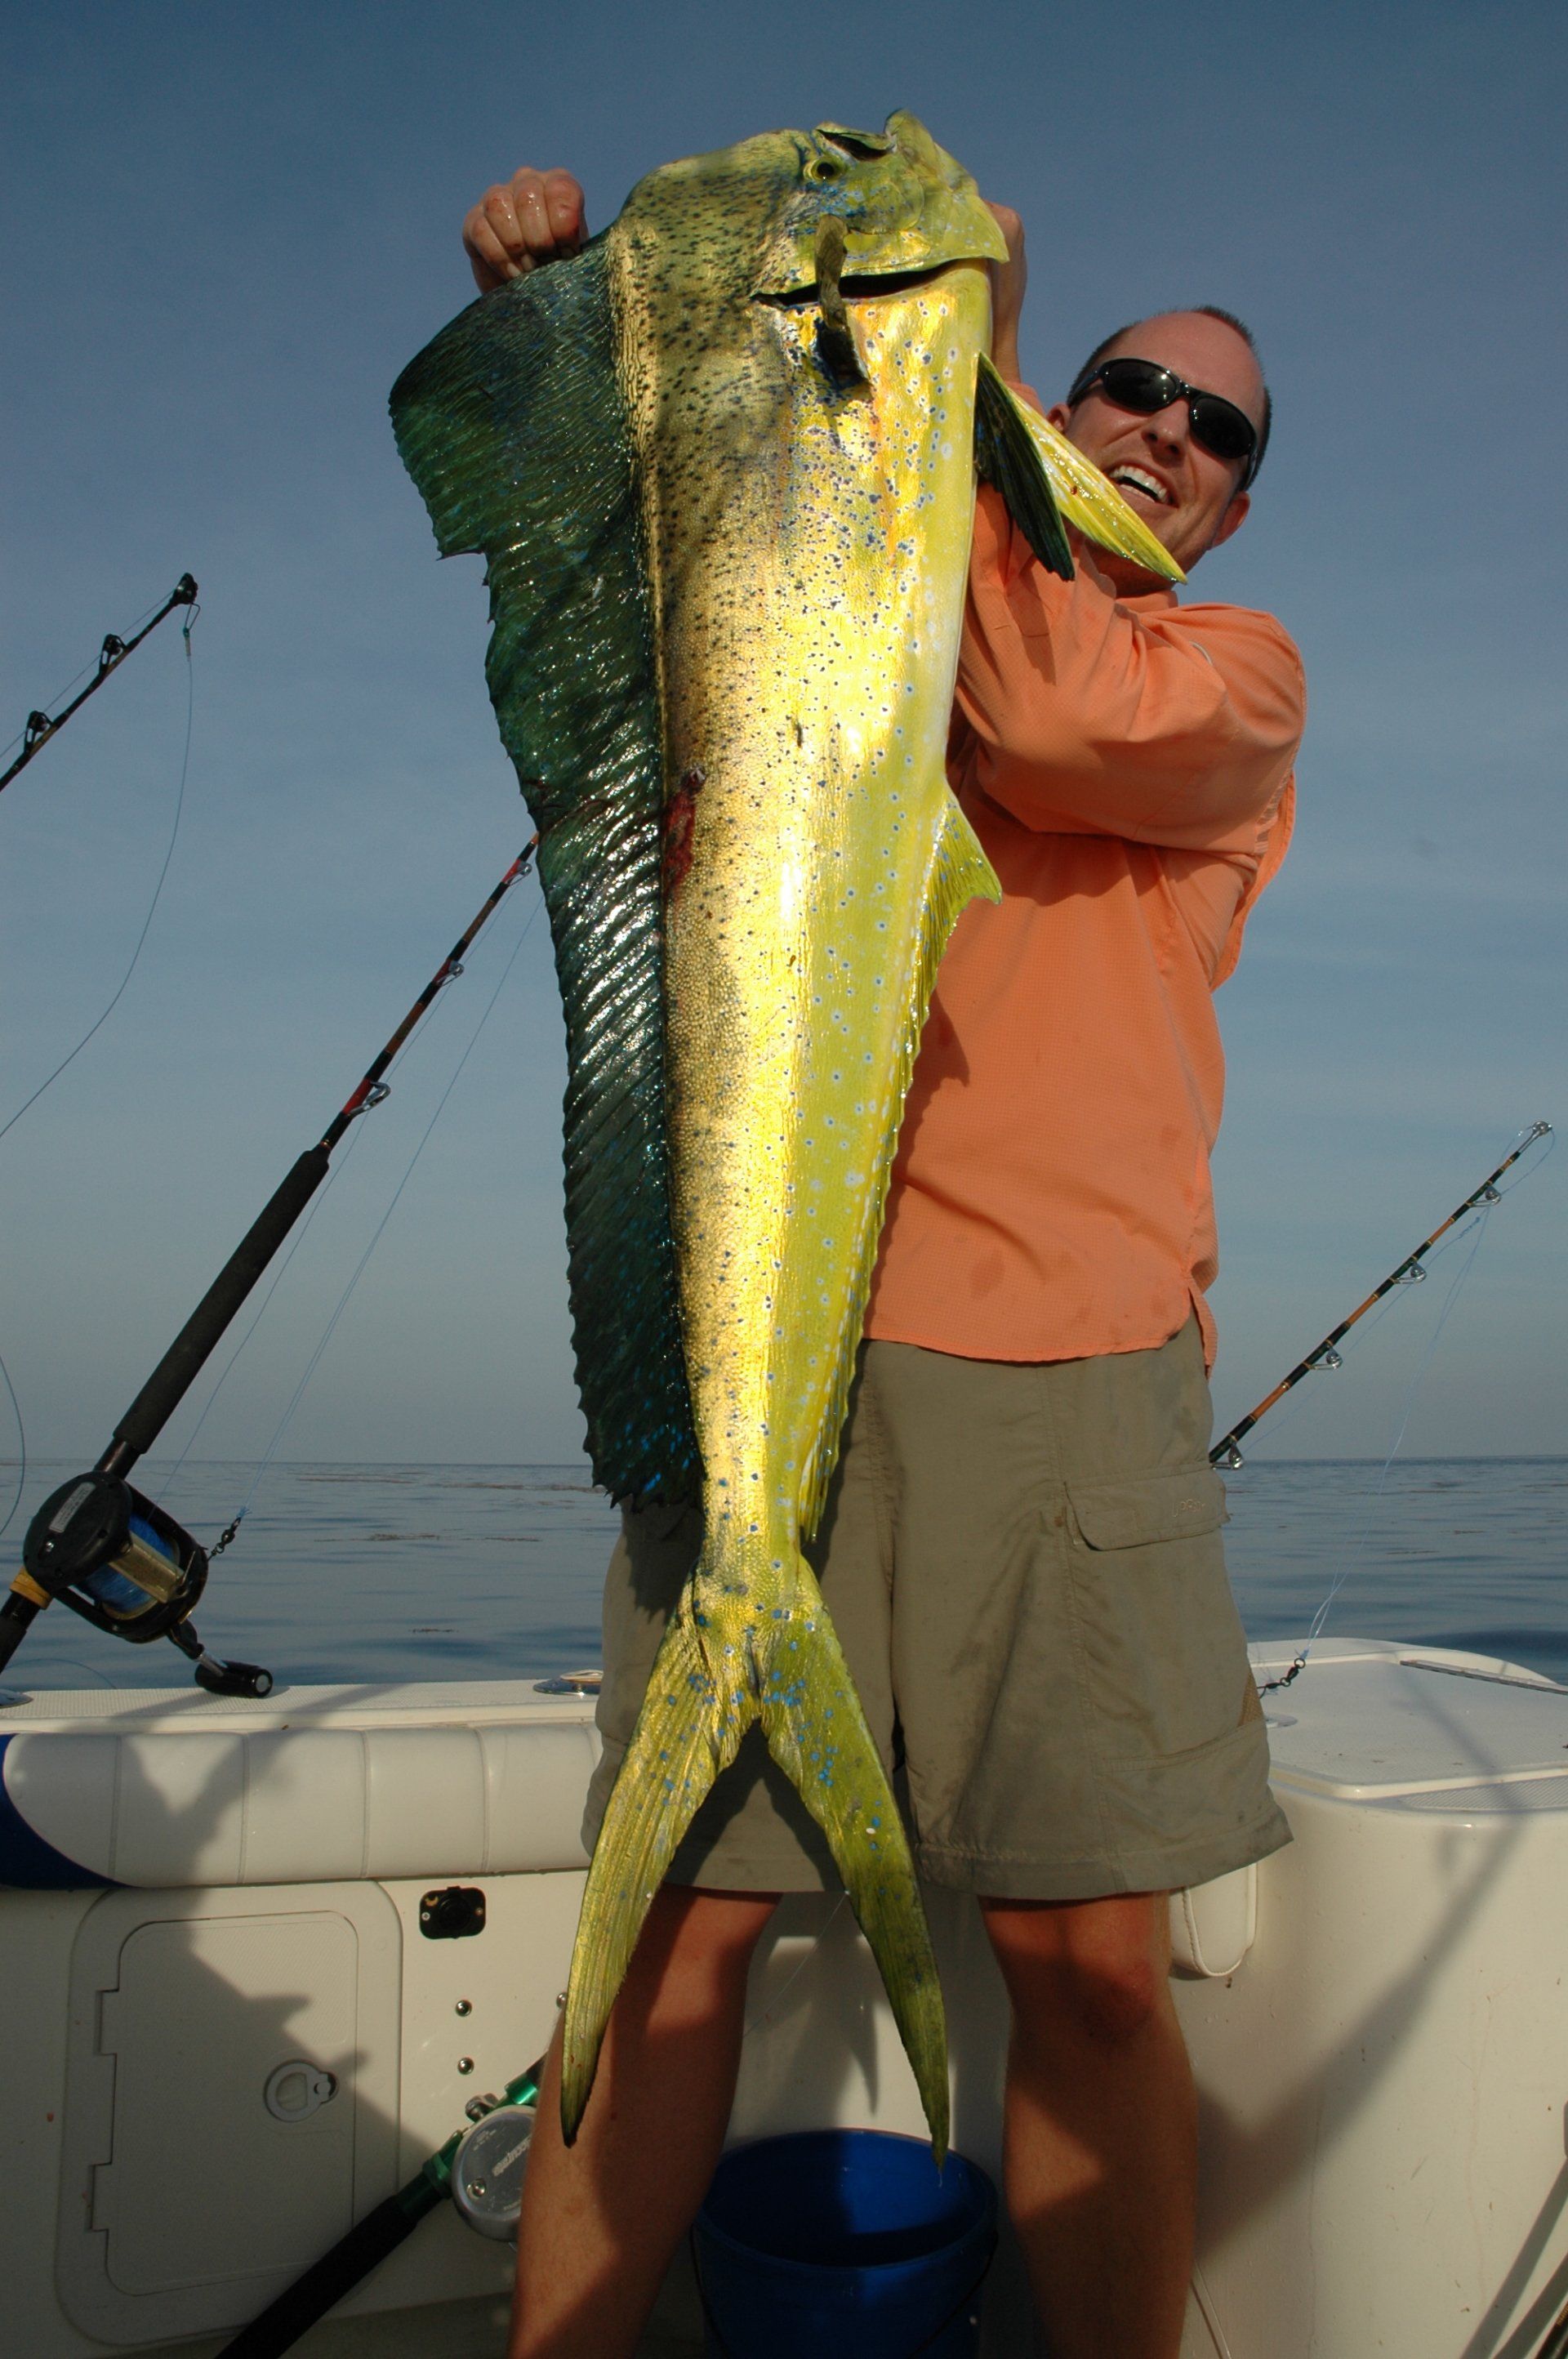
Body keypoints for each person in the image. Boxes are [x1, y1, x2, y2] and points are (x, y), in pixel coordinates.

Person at [461, 164, 1305, 2359]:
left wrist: (966, 371)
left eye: (1218, 431)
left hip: (1066, 1369)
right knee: (662, 1951)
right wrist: (580, 335)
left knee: (1091, 1974)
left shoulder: (1229, 682)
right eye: (1130, 386)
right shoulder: (857, 582)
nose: (1164, 434)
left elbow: (1033, 718)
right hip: (761, 1355)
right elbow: (634, 593)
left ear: (1231, 503)